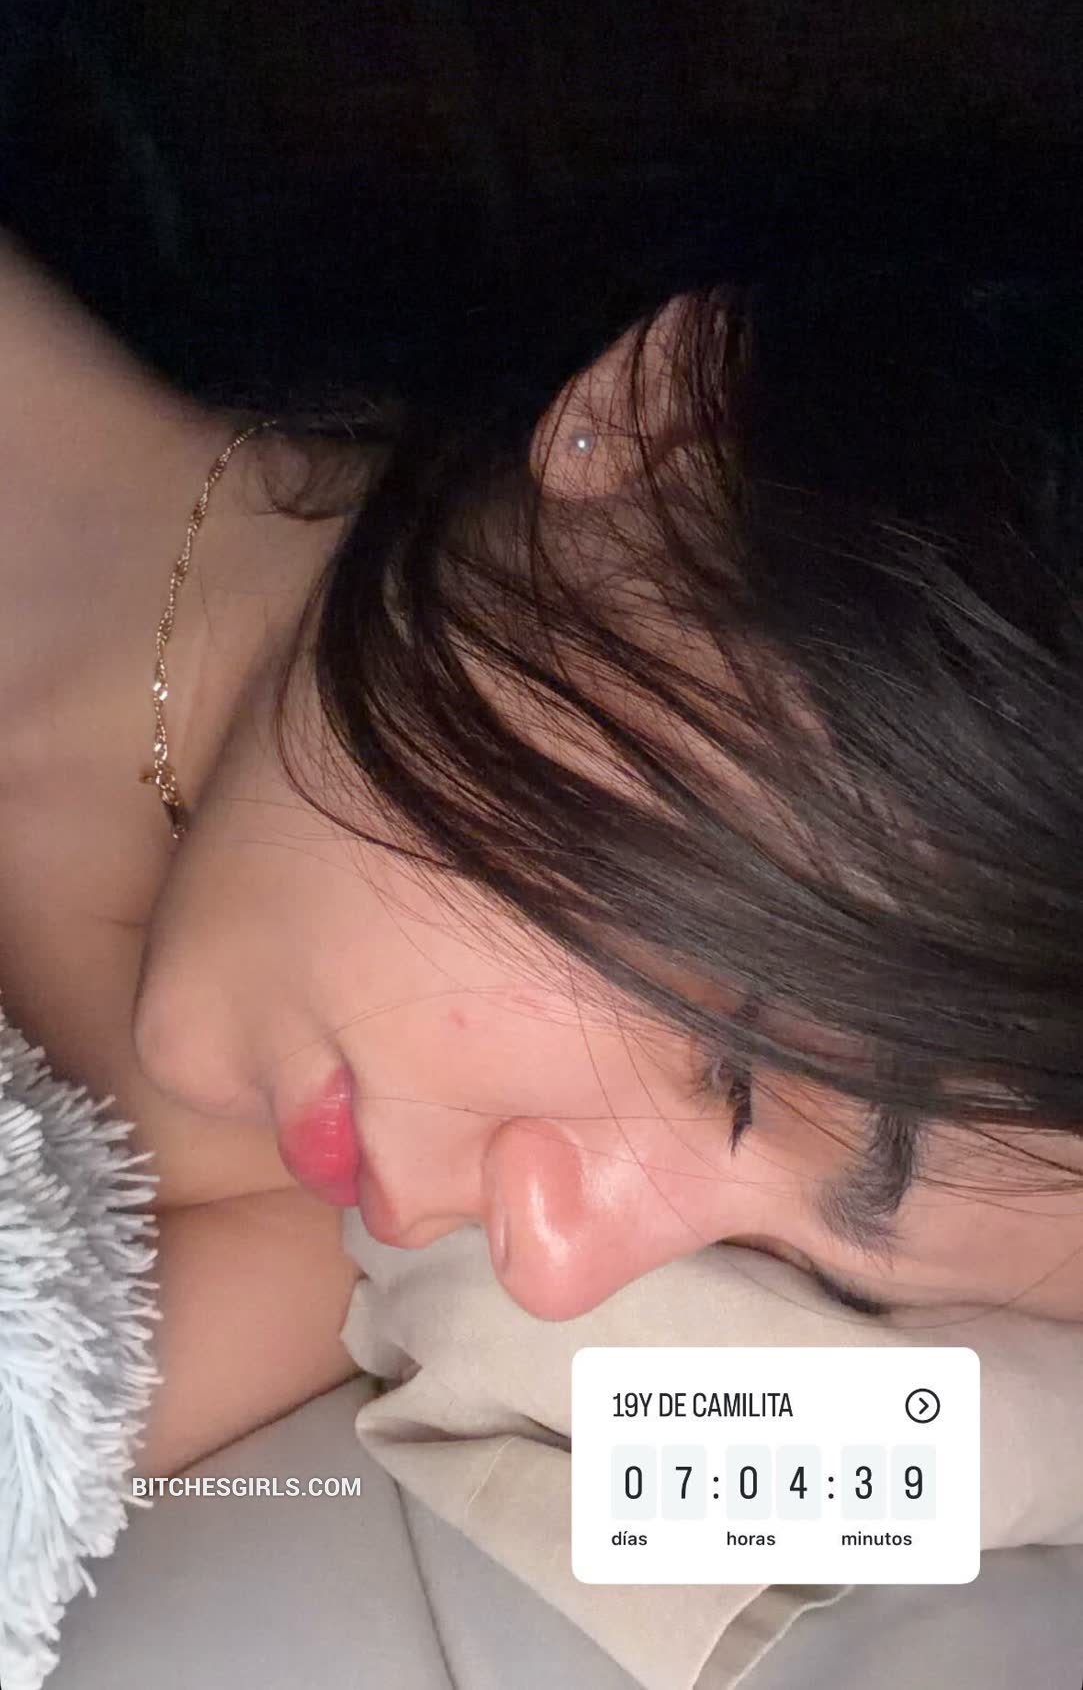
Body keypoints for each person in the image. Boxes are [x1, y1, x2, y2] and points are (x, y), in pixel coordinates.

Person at [0, 226, 1080, 1478]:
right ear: (653, 434)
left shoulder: (246, 1250)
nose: (551, 1270)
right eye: (739, 1067)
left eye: (787, 1268)